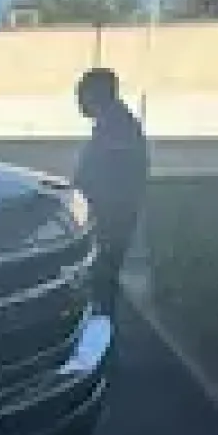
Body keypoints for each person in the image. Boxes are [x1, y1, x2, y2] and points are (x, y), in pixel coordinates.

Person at [73, 67, 150, 316]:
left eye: (81, 94)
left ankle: (103, 337)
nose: (78, 101)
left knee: (102, 286)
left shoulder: (117, 130)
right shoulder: (114, 124)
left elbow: (110, 180)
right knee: (101, 286)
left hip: (110, 222)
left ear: (97, 95)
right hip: (108, 219)